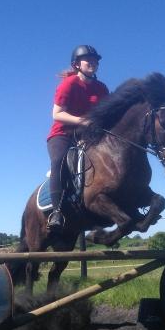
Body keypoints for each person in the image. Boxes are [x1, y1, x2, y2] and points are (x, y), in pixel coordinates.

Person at [46, 45, 109, 230]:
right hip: (62, 134)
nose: (93, 63)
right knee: (58, 161)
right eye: (88, 59)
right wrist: (83, 122)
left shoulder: (101, 88)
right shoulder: (69, 84)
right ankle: (56, 212)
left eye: (95, 60)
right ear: (76, 65)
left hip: (88, 136)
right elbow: (57, 114)